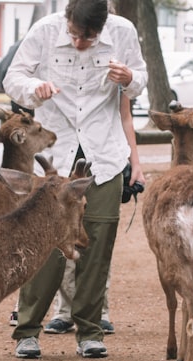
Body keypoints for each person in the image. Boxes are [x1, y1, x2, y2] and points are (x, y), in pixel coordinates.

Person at [3, 0, 147, 360]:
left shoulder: (124, 32)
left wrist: (129, 79)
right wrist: (34, 88)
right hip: (55, 152)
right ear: (66, 19)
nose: (81, 42)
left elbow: (140, 81)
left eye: (89, 37)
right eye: (75, 35)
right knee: (45, 241)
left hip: (104, 153)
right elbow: (13, 78)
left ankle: (90, 330)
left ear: (104, 26)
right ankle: (28, 329)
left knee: (97, 242)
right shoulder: (45, 31)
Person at [45, 91, 141, 337]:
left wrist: (135, 162)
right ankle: (64, 310)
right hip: (65, 155)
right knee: (65, 236)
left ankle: (99, 312)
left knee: (95, 241)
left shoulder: (112, 68)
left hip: (102, 158)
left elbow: (125, 116)